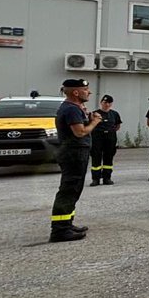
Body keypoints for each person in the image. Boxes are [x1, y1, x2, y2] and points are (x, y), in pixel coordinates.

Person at [50, 78, 101, 242]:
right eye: (85, 90)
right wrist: (95, 122)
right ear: (76, 92)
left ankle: (67, 223)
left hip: (76, 152)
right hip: (73, 153)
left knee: (74, 189)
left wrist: (88, 118)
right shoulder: (71, 109)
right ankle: (60, 230)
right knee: (69, 190)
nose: (89, 92)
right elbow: (80, 132)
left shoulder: (74, 108)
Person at [89, 94, 121, 186]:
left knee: (109, 157)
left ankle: (107, 178)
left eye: (109, 103)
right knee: (96, 157)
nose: (107, 104)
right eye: (105, 102)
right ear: (101, 103)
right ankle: (95, 179)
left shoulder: (114, 114)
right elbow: (90, 125)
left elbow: (117, 126)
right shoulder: (95, 114)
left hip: (110, 138)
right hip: (97, 137)